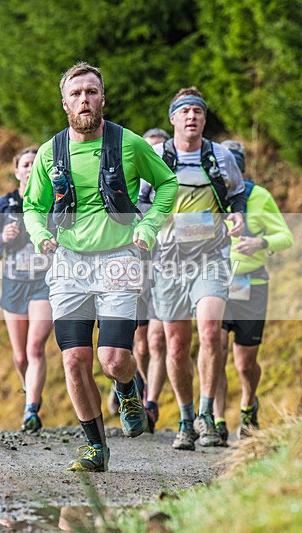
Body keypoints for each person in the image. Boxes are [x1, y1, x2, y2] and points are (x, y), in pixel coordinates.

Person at [23, 62, 178, 472]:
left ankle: (128, 387)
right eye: (76, 94)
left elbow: (168, 184)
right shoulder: (48, 152)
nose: (84, 100)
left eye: (91, 92)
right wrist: (40, 236)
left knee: (112, 359)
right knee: (73, 360)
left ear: (102, 98)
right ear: (64, 103)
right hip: (69, 262)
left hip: (118, 258)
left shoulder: (128, 143)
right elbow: (33, 207)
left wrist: (148, 225)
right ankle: (95, 447)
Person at [151, 87, 246, 451]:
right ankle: (186, 419)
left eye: (198, 112)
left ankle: (208, 415)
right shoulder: (157, 157)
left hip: (211, 255)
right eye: (185, 111)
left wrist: (237, 215)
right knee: (176, 345)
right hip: (170, 260)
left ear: (204, 119)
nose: (191, 117)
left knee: (209, 333)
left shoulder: (220, 156)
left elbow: (237, 194)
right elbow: (139, 200)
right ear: (173, 119)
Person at [213, 140, 293, 442]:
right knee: (215, 351)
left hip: (252, 284)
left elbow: (285, 236)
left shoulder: (259, 197)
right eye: (222, 165)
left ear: (241, 168)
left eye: (233, 165)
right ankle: (216, 419)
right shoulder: (209, 197)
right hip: (216, 284)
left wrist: (260, 243)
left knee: (244, 363)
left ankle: (248, 404)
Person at [0, 147, 53, 432]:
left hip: (44, 282)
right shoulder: (4, 204)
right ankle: (28, 385)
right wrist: (1, 237)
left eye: (36, 163)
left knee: (36, 347)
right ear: (17, 171)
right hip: (13, 282)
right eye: (26, 163)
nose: (31, 167)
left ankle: (31, 408)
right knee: (21, 355)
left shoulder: (53, 201)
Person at [107, 128, 170, 432]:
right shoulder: (133, 190)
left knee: (158, 340)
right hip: (141, 271)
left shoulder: (175, 181)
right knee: (141, 346)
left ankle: (151, 402)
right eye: (151, 150)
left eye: (161, 150)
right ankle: (135, 386)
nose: (156, 156)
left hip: (171, 271)